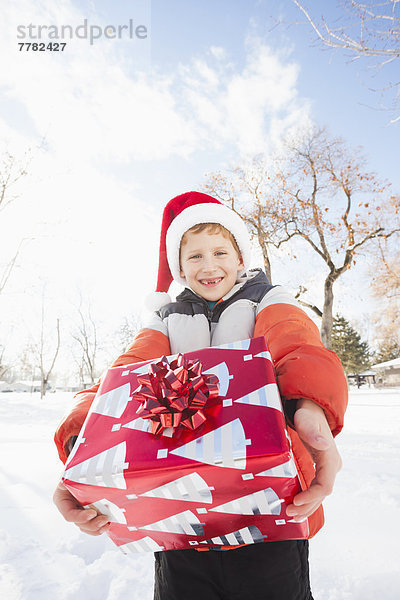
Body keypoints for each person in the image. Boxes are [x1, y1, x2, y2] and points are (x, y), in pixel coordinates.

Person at [53, 191, 347, 600]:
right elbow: (126, 373)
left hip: (269, 508)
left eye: (220, 252)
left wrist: (310, 404)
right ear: (179, 268)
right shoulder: (166, 321)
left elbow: (297, 345)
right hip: (180, 510)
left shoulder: (269, 301)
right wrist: (80, 442)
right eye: (194, 257)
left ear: (241, 258)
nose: (209, 266)